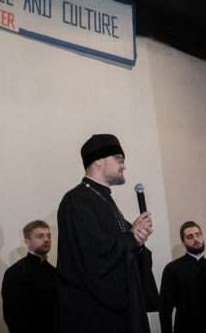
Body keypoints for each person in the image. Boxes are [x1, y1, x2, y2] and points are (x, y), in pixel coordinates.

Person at [56, 134, 158, 333]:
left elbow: (125, 247)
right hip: (95, 314)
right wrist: (131, 237)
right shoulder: (76, 200)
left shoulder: (106, 200)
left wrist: (138, 243)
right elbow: (91, 253)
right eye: (119, 159)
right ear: (98, 160)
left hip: (123, 313)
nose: (124, 166)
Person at [1, 220, 56, 333]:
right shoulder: (15, 272)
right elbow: (13, 317)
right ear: (27, 241)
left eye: (48, 236)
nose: (46, 239)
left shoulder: (54, 272)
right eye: (40, 236)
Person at [159, 221, 206, 333]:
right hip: (184, 328)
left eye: (198, 235)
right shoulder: (172, 269)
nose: (196, 239)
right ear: (183, 243)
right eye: (190, 237)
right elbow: (165, 309)